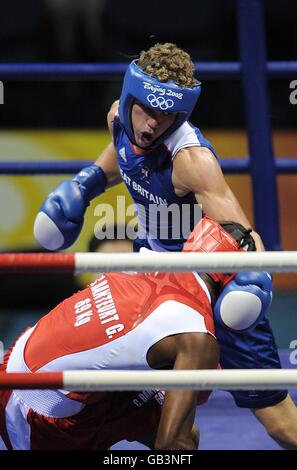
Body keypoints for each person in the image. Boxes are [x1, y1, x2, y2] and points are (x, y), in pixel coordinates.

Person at [33, 42, 297, 448]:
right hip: (151, 283)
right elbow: (120, 159)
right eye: (146, 109)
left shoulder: (191, 160)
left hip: (205, 285)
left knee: (280, 423)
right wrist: (86, 185)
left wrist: (250, 277)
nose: (152, 124)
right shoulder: (120, 119)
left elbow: (242, 232)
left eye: (166, 114)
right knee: (160, 424)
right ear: (129, 97)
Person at [0, 218, 267, 450]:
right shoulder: (195, 336)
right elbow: (170, 446)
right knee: (179, 444)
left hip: (16, 366)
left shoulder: (145, 260)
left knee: (183, 431)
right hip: (39, 418)